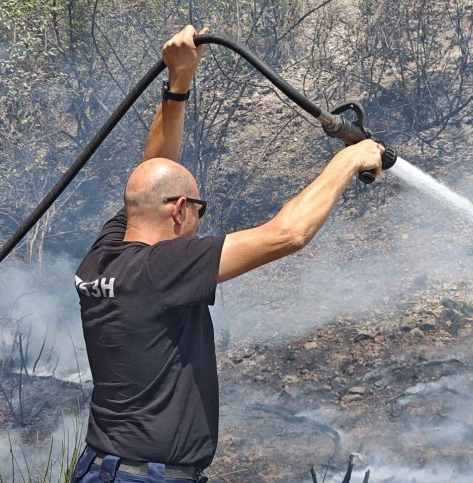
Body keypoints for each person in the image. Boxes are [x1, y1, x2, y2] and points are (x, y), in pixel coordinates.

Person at [71, 25, 384, 483]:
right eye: (199, 210)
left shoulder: (103, 257)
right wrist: (350, 159)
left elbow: (151, 173)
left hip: (103, 468)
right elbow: (289, 233)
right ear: (180, 209)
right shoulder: (164, 268)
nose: (200, 221)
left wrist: (178, 85)